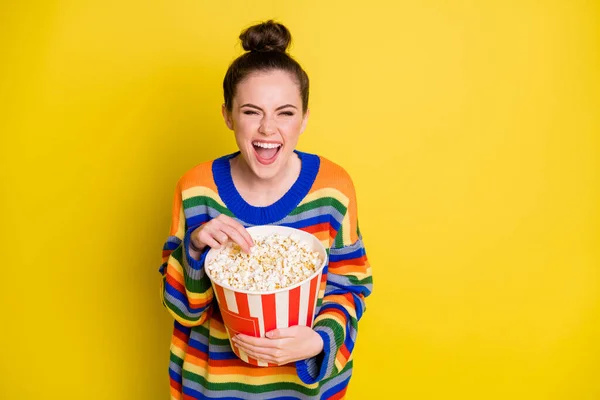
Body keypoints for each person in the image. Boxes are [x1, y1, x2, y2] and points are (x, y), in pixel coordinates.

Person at [159, 20, 373, 400]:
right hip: (214, 386)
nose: (268, 129)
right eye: (252, 112)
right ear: (228, 115)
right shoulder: (197, 190)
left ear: (305, 118)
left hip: (299, 390)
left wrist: (319, 341)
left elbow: (350, 286)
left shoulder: (332, 191)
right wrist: (192, 250)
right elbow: (184, 311)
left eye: (285, 113)